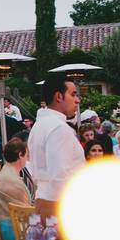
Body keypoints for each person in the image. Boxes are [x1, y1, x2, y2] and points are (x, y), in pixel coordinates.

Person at [27, 74, 84, 218]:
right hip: (60, 206)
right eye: (73, 95)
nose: (77, 100)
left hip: (44, 200)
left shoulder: (40, 124)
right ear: (59, 96)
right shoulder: (58, 128)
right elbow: (60, 176)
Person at [0, 139, 33, 240]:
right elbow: (25, 212)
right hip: (14, 230)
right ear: (20, 155)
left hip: (8, 225)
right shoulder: (12, 181)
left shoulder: (7, 170)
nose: (27, 158)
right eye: (26, 155)